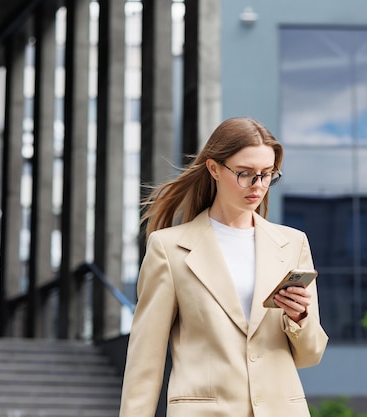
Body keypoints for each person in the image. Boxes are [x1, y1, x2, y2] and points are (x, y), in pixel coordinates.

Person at [119, 117, 329, 417]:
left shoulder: (293, 244)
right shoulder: (169, 248)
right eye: (245, 174)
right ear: (214, 168)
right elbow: (144, 361)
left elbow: (310, 356)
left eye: (267, 174)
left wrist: (299, 318)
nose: (258, 186)